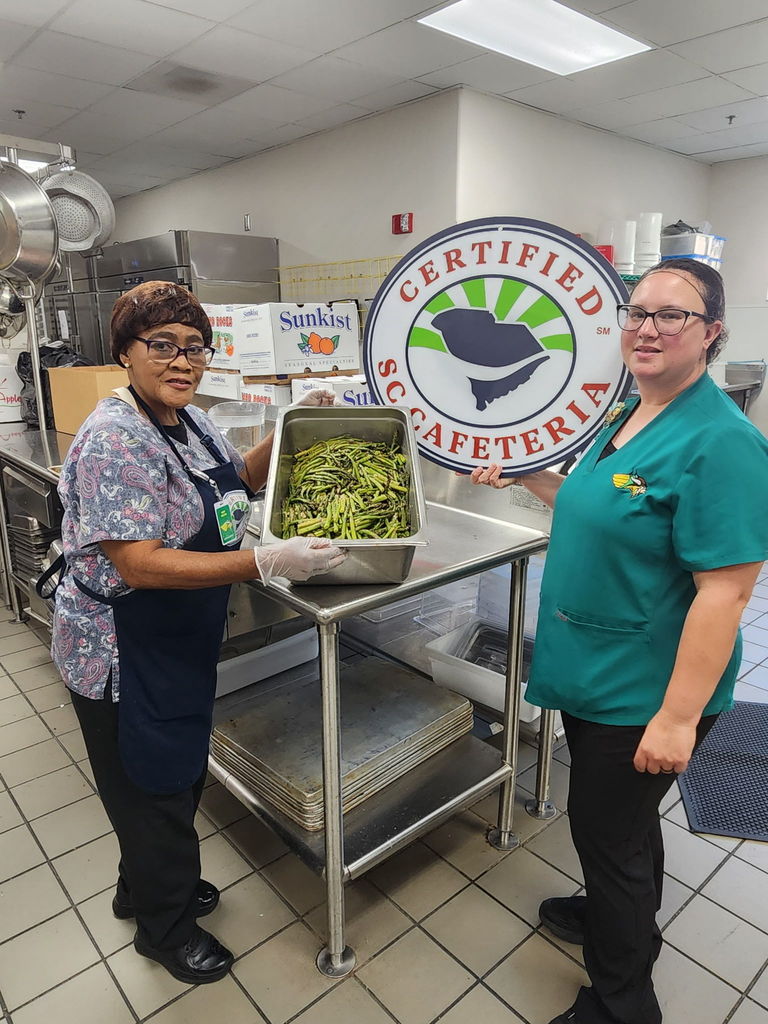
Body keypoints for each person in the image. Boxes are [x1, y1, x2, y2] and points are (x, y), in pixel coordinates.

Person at [470, 258, 768, 1024]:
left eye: (673, 315)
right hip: (601, 665)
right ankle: (611, 914)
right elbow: (600, 500)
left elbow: (726, 590)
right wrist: (528, 480)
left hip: (644, 688)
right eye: (637, 312)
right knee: (622, 828)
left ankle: (622, 999)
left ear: (712, 333)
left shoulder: (722, 443)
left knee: (611, 839)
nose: (647, 327)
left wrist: (674, 719)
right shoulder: (633, 411)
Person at [49, 282, 346, 985]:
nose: (182, 361)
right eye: (161, 345)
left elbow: (234, 478)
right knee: (152, 789)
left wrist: (290, 428)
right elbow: (138, 562)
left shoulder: (187, 419)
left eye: (194, 346)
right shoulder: (113, 437)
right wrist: (264, 560)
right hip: (123, 647)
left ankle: (146, 887)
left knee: (169, 781)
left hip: (173, 638)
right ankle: (166, 928)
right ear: (124, 351)